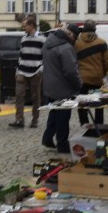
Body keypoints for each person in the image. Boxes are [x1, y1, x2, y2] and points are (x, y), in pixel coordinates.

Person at [41, 23, 82, 154]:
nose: (74, 41)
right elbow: (70, 71)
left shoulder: (49, 42)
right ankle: (62, 145)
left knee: (54, 113)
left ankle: (47, 138)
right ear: (70, 34)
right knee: (63, 117)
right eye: (75, 38)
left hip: (49, 84)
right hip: (62, 87)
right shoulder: (65, 47)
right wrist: (78, 84)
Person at [10, 17, 45, 128]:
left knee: (35, 97)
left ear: (31, 26)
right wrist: (18, 70)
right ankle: (19, 119)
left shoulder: (42, 39)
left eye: (25, 25)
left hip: (36, 71)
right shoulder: (23, 39)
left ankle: (35, 120)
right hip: (22, 70)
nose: (23, 27)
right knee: (19, 95)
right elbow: (21, 55)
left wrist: (41, 69)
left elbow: (46, 56)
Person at [75, 20, 108, 126]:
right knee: (99, 103)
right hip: (97, 78)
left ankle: (84, 124)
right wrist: (102, 72)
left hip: (82, 78)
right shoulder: (101, 42)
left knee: (82, 103)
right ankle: (99, 124)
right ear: (95, 29)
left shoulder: (76, 43)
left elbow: (72, 60)